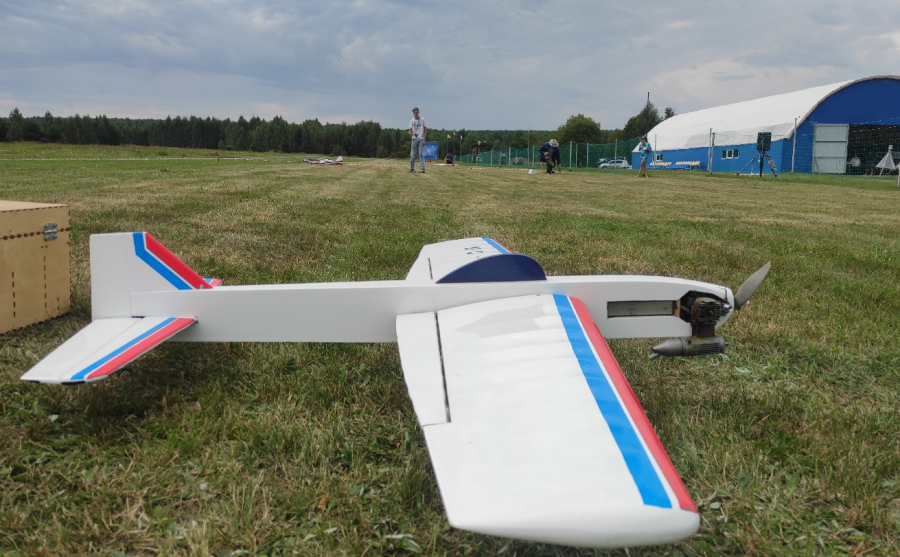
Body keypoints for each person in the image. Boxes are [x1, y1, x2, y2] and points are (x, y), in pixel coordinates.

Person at [408, 107, 427, 173]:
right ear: (413, 113)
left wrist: (424, 139)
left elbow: (425, 129)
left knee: (421, 154)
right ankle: (411, 168)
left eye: (416, 112)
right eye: (414, 113)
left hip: (421, 139)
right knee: (413, 155)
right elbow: (410, 129)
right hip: (414, 139)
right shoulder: (412, 121)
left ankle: (422, 169)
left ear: (418, 112)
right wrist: (410, 132)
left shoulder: (422, 120)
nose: (415, 114)